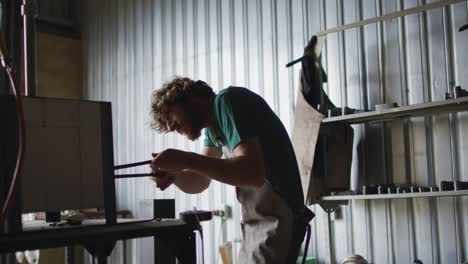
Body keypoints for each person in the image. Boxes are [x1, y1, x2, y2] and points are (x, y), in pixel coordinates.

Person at [149, 76, 314, 264]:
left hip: (279, 219)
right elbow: (199, 181)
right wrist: (174, 177)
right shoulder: (213, 130)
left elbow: (252, 174)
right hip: (258, 225)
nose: (170, 126)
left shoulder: (227, 101)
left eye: (170, 114)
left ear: (189, 98)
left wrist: (186, 159)